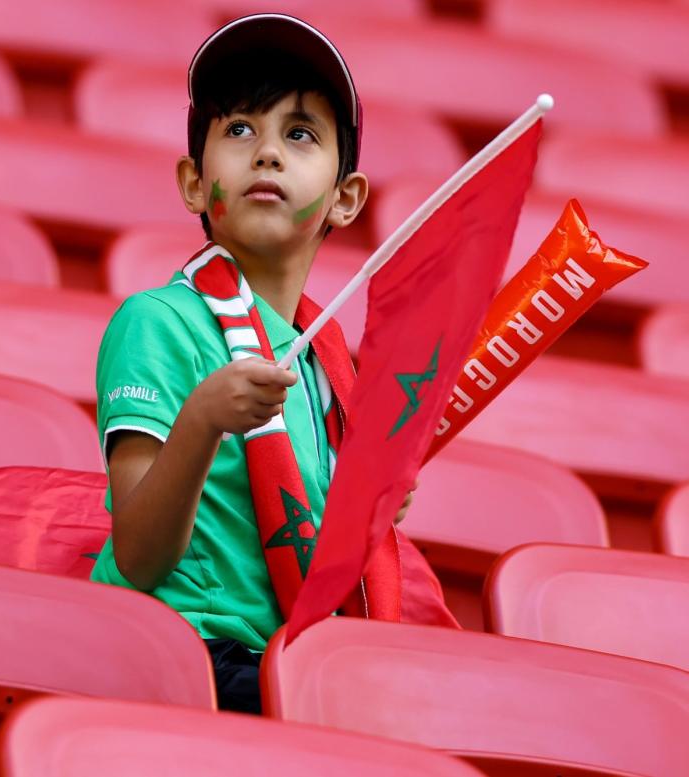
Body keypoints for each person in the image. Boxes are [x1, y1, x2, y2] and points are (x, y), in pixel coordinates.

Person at [90, 14, 422, 713]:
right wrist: (204, 419)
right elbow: (141, 555)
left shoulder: (335, 372)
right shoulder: (158, 321)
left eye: (300, 134)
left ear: (345, 199)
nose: (267, 152)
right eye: (239, 129)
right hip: (182, 656)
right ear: (192, 182)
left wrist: (369, 510)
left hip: (293, 670)